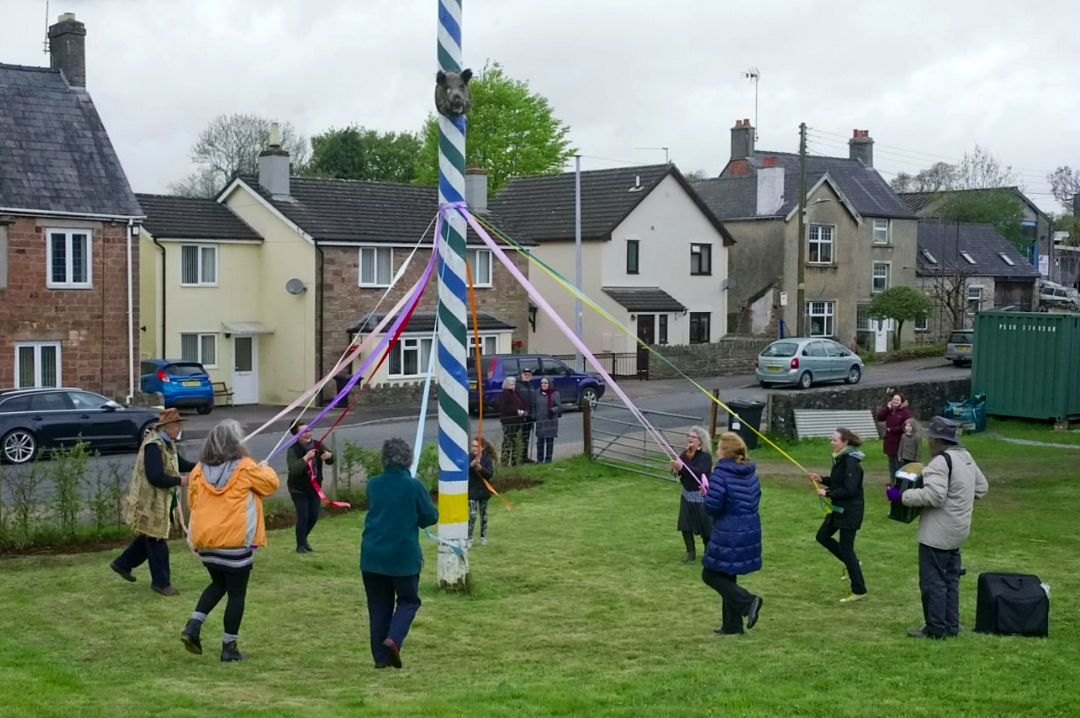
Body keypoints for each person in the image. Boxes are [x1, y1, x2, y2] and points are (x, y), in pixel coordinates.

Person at [180, 419, 280, 661]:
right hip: (234, 543)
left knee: (218, 583)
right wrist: (264, 468)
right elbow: (270, 485)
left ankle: (193, 626)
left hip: (207, 542)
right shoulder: (245, 467)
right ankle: (229, 648)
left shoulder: (198, 470)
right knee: (237, 594)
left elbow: (193, 502)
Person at [888, 417, 988, 639]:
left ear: (936, 440)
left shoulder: (940, 462)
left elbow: (934, 495)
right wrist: (959, 502)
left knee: (933, 582)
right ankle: (951, 625)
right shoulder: (965, 457)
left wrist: (901, 496)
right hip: (959, 530)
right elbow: (981, 488)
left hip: (937, 533)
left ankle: (936, 629)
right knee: (951, 580)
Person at [360, 438, 439, 669]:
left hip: (372, 556)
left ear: (384, 459)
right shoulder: (414, 486)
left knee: (378, 606)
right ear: (408, 460)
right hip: (402, 557)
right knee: (408, 600)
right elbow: (429, 517)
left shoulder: (373, 484)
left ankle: (380, 658)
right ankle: (393, 639)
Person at [112, 408, 195, 596]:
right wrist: (179, 481)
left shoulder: (167, 444)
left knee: (149, 536)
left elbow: (179, 464)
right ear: (167, 426)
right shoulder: (153, 446)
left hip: (158, 500)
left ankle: (122, 564)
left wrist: (202, 466)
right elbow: (155, 476)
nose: (180, 428)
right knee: (157, 539)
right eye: (177, 425)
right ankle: (161, 583)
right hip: (149, 501)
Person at [701, 432, 764, 635]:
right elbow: (754, 498)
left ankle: (748, 601)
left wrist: (707, 494)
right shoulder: (749, 472)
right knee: (728, 575)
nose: (716, 450)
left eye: (718, 447)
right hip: (748, 529)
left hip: (729, 531)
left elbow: (712, 507)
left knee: (710, 574)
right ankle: (732, 626)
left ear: (725, 453)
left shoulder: (721, 474)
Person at [807, 428, 868, 603]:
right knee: (822, 536)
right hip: (839, 509)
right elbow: (839, 480)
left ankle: (859, 589)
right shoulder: (841, 459)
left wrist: (827, 493)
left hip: (849, 511)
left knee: (847, 549)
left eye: (835, 440)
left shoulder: (850, 462)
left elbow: (850, 489)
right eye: (832, 439)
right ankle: (852, 564)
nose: (831, 442)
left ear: (845, 443)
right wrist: (822, 479)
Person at [287, 421, 334, 554]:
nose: (308, 433)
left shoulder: (318, 445)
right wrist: (306, 458)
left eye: (309, 430)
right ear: (297, 435)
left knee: (313, 516)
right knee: (304, 516)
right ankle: (300, 545)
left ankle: (303, 539)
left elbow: (331, 460)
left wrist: (329, 456)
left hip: (314, 489)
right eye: (303, 432)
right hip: (298, 489)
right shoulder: (293, 450)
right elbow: (293, 470)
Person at [669, 426, 713, 563]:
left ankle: (708, 551)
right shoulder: (685, 454)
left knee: (705, 526)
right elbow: (682, 472)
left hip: (701, 495)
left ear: (700, 441)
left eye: (693, 437)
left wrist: (682, 467)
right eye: (688, 436)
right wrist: (676, 470)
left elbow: (700, 472)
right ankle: (690, 553)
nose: (689, 439)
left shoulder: (705, 457)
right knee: (685, 525)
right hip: (687, 494)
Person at [467, 437, 497, 546]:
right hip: (472, 492)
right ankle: (469, 538)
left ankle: (483, 537)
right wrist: (471, 465)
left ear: (482, 447)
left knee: (483, 515)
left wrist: (480, 468)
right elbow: (464, 470)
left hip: (484, 492)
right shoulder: (469, 457)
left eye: (476, 446)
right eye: (472, 446)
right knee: (472, 515)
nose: (474, 448)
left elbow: (489, 474)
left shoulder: (487, 459)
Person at [876, 393, 913, 481]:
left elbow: (908, 425)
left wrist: (893, 429)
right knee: (891, 461)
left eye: (897, 400)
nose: (895, 401)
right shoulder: (889, 410)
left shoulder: (905, 412)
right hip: (889, 440)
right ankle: (892, 480)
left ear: (902, 402)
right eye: (894, 399)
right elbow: (880, 417)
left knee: (898, 461)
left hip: (899, 441)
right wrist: (887, 409)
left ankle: (899, 481)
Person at [498, 376, 525, 467]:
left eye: (513, 384)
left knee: (516, 441)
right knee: (508, 441)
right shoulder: (504, 394)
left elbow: (522, 402)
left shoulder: (516, 393)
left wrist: (524, 410)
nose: (512, 386)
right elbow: (504, 407)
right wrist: (516, 411)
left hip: (517, 420)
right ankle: (504, 462)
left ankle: (515, 462)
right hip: (509, 421)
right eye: (510, 384)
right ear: (506, 385)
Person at [534, 377, 562, 464]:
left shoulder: (555, 393)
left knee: (549, 440)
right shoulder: (537, 393)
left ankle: (548, 458)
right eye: (542, 383)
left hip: (550, 420)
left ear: (549, 384)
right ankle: (539, 459)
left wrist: (552, 410)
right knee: (540, 441)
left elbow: (559, 406)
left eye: (545, 383)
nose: (543, 385)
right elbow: (534, 405)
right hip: (540, 420)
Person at [516, 367, 538, 464]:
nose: (527, 376)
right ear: (521, 375)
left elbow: (533, 402)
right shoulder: (518, 386)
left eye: (529, 375)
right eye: (525, 374)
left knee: (526, 438)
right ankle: (519, 458)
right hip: (521, 417)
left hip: (530, 416)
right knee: (520, 437)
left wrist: (533, 414)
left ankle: (525, 457)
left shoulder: (531, 386)